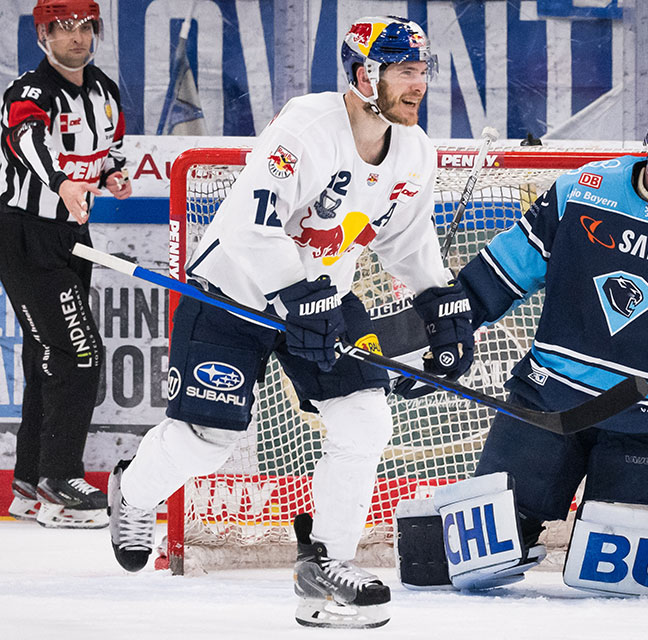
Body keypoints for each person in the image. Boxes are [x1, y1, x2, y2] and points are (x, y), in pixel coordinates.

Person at [107, 16, 474, 629]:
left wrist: (442, 303)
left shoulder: (416, 151)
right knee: (206, 442)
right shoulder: (306, 124)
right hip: (237, 292)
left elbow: (407, 244)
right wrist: (294, 295)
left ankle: (325, 567)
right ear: (363, 75)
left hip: (323, 298)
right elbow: (252, 227)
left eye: (421, 72)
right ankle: (133, 493)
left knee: (365, 417)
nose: (418, 86)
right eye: (404, 72)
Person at [443, 87, 648, 587]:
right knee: (474, 558)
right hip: (548, 401)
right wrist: (448, 325)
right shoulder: (581, 187)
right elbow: (505, 271)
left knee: (617, 580)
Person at [0, 0, 131, 529]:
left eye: (84, 27)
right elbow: (23, 138)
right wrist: (62, 182)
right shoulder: (29, 90)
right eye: (63, 28)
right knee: (79, 353)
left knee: (47, 359)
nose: (76, 37)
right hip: (24, 234)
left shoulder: (103, 90)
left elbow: (111, 150)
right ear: (42, 36)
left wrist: (112, 178)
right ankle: (60, 480)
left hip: (72, 234)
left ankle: (30, 485)